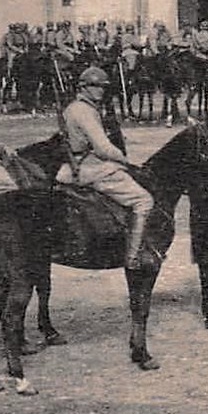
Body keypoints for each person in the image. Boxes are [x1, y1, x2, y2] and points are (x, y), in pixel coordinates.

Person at [56, 66, 155, 268]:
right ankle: (133, 256)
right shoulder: (85, 111)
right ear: (83, 87)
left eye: (103, 87)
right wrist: (124, 160)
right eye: (96, 86)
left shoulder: (74, 107)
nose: (101, 90)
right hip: (89, 168)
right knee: (143, 200)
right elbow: (102, 148)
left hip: (74, 163)